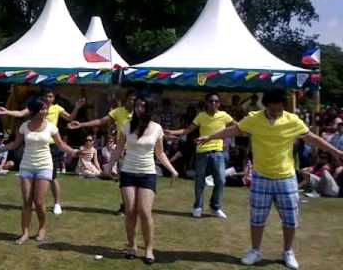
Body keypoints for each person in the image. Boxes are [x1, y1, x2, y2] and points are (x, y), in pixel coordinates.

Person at [196, 88, 343, 269]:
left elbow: (312, 138)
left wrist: (336, 152)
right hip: (261, 177)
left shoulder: (292, 120)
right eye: (273, 108)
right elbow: (233, 130)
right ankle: (255, 251)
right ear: (266, 105)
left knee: (290, 219)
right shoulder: (253, 118)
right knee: (257, 217)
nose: (277, 112)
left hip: (286, 178)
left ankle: (288, 252)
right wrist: (210, 137)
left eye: (280, 108)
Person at [0, 96, 79, 244]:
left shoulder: (51, 127)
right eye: (42, 109)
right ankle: (25, 233)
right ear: (34, 110)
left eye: (46, 108)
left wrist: (74, 152)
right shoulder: (24, 126)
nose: (45, 111)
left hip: (44, 166)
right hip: (27, 166)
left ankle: (42, 228)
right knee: (27, 201)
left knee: (39, 202)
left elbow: (61, 145)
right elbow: (14, 144)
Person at [104, 95, 178, 264]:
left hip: (147, 174)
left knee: (145, 211)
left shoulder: (156, 128)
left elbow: (160, 153)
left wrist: (172, 170)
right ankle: (132, 245)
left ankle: (149, 248)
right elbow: (119, 148)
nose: (139, 109)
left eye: (143, 106)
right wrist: (109, 165)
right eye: (137, 105)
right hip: (128, 172)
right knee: (130, 210)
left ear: (149, 109)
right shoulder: (127, 126)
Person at [0, 88, 85, 215]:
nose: (48, 99)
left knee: (52, 177)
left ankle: (57, 203)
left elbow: (70, 118)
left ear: (54, 98)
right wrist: (7, 111)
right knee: (37, 185)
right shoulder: (35, 108)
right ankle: (33, 207)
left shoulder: (57, 109)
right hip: (34, 145)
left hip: (51, 146)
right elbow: (20, 114)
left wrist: (77, 107)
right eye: (46, 96)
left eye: (51, 96)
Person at [165, 93, 235, 219]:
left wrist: (227, 138)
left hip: (218, 153)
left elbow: (237, 126)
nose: (213, 103)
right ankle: (198, 206)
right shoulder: (201, 116)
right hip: (202, 152)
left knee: (221, 180)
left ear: (219, 103)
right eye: (211, 101)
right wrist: (173, 132)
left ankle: (215, 206)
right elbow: (187, 130)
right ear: (206, 103)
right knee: (199, 181)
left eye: (216, 101)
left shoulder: (224, 116)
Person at [69, 89, 137, 214]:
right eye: (130, 99)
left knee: (137, 181)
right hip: (122, 152)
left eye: (134, 100)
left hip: (137, 152)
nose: (132, 102)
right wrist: (82, 124)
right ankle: (125, 205)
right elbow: (101, 121)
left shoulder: (140, 114)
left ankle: (134, 205)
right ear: (125, 100)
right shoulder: (118, 112)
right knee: (124, 180)